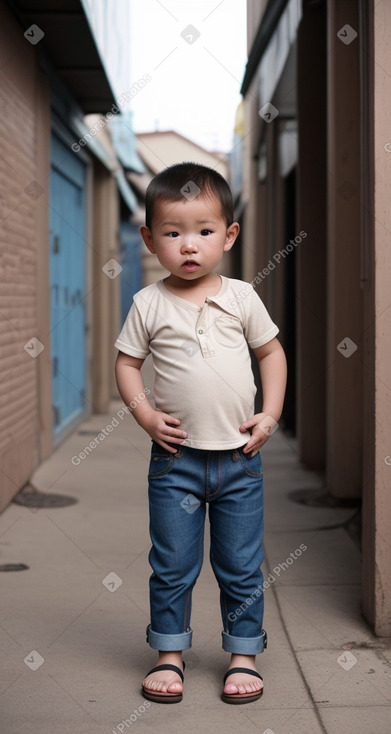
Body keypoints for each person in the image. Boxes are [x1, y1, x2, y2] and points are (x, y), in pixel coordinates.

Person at [114, 162, 287, 705]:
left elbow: (271, 353)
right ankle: (169, 654)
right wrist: (144, 415)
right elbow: (126, 365)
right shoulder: (148, 303)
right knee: (172, 563)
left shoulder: (241, 297)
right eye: (172, 233)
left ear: (228, 236)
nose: (189, 246)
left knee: (239, 563)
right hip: (176, 461)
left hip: (239, 456)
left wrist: (271, 412)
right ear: (150, 238)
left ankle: (242, 653)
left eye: (204, 232)